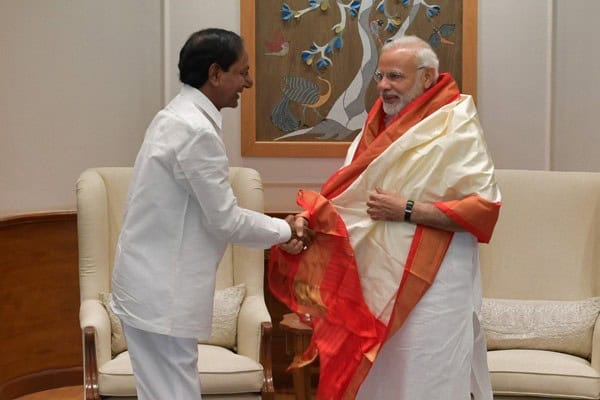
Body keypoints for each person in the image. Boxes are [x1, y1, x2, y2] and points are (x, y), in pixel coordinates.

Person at [272, 35, 501, 399]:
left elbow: (483, 210)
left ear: (427, 77)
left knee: (427, 375)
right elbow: (347, 196)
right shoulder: (375, 127)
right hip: (374, 279)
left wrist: (407, 210)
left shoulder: (456, 125)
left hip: (436, 284)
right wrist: (308, 217)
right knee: (376, 378)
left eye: (395, 77)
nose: (383, 86)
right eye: (380, 76)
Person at [110, 28, 309, 400]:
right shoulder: (195, 130)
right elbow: (225, 220)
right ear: (215, 73)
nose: (248, 82)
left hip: (146, 286)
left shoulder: (174, 115)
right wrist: (285, 230)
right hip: (162, 294)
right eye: (242, 72)